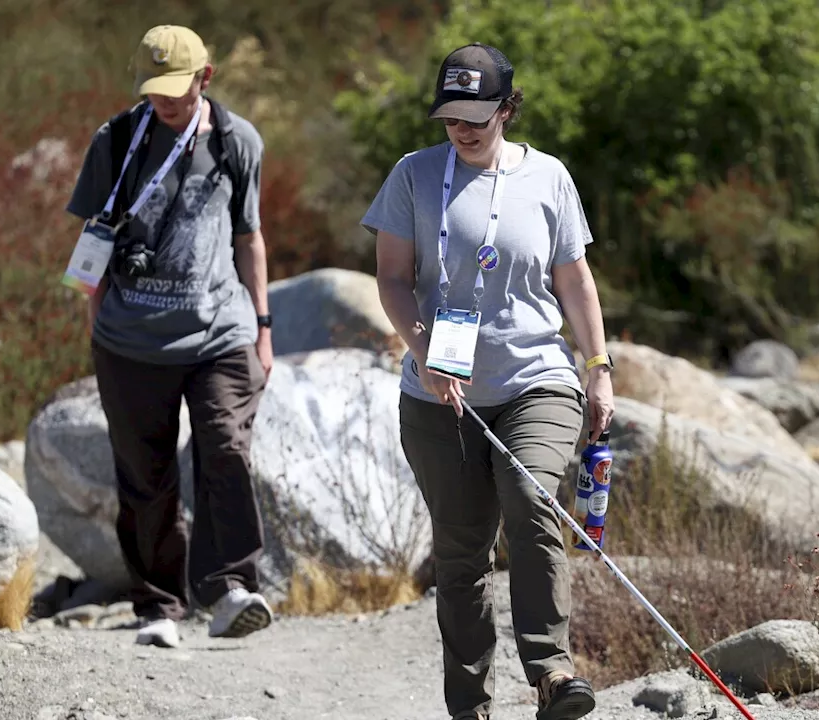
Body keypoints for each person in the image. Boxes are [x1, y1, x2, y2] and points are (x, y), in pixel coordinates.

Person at [362, 42, 616, 720]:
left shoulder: (549, 178)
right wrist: (421, 350)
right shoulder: (414, 176)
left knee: (532, 498)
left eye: (477, 114)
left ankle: (553, 670)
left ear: (508, 106)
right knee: (461, 554)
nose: (463, 128)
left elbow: (574, 279)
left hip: (537, 377)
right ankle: (470, 706)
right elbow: (390, 277)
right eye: (451, 116)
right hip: (437, 396)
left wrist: (597, 368)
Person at [64, 24, 276, 649]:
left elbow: (249, 237)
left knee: (226, 447)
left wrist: (263, 327)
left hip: (221, 332)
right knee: (145, 475)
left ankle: (232, 587)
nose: (165, 102)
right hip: (130, 340)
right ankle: (159, 607)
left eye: (177, 92)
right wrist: (99, 329)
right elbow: (91, 243)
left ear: (205, 78)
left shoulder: (239, 142)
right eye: (154, 90)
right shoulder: (118, 140)